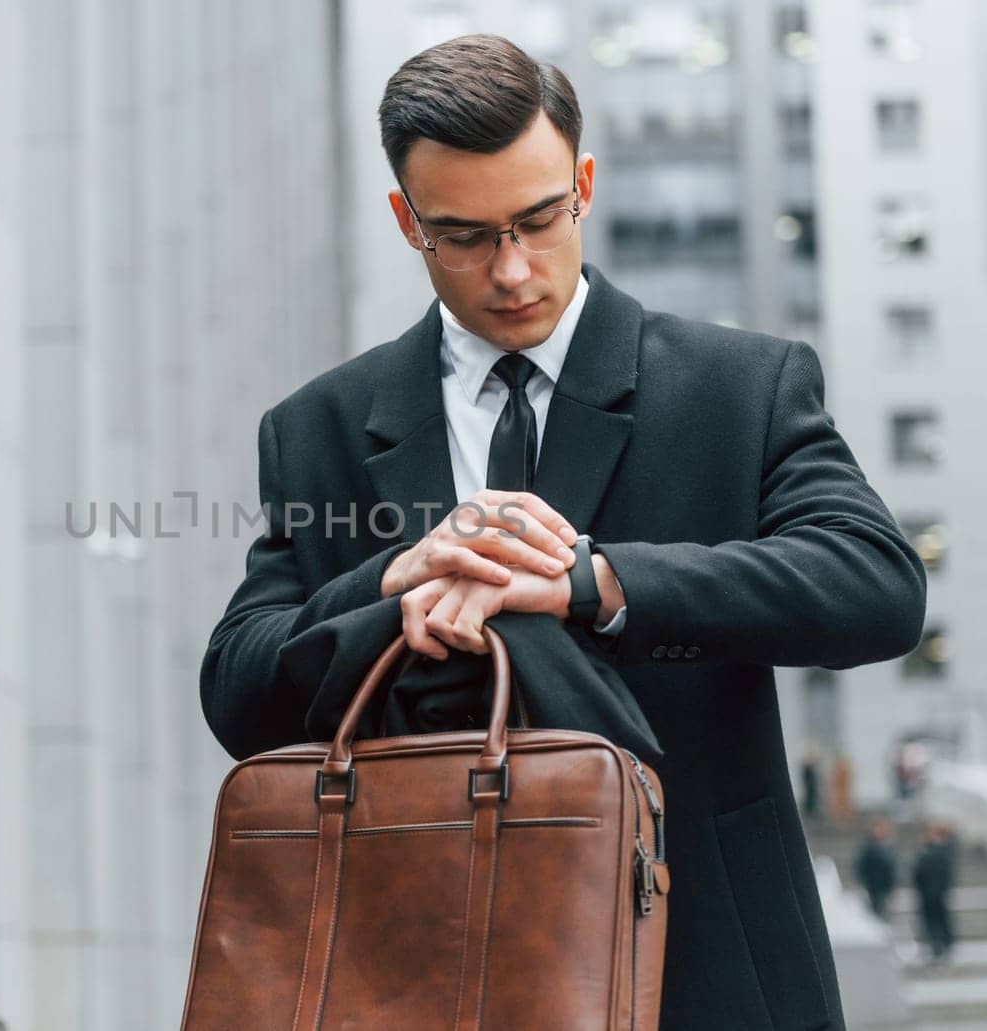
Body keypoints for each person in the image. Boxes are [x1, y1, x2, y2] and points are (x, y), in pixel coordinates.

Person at [199, 34, 926, 1030]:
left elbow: (876, 586)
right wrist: (392, 579)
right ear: (405, 220)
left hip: (705, 966)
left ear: (582, 184)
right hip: (410, 971)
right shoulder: (318, 425)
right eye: (462, 235)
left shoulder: (737, 388)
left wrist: (596, 580)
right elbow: (239, 686)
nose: (510, 269)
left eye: (538, 220)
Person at [913, 822, 958, 964]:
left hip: (934, 893)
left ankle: (940, 945)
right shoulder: (933, 851)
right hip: (929, 893)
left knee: (936, 921)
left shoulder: (938, 852)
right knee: (934, 921)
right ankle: (939, 945)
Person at [854, 818, 899, 920]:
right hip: (872, 884)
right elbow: (861, 866)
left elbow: (892, 868)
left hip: (885, 885)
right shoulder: (867, 847)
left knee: (884, 909)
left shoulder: (888, 847)